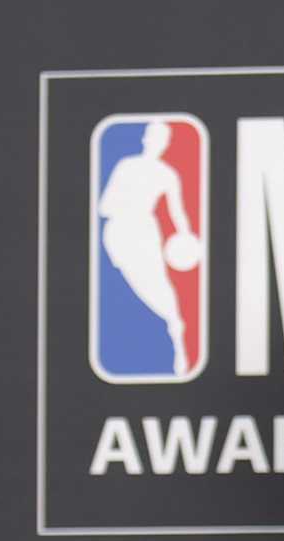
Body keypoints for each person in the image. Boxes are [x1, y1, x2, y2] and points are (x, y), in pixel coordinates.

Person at [97, 119, 196, 375]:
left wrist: (186, 237)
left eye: (162, 138)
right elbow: (104, 206)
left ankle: (177, 336)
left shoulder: (168, 175)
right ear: (145, 139)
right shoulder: (126, 166)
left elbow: (178, 213)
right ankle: (169, 330)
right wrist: (126, 205)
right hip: (118, 233)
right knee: (131, 287)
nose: (157, 142)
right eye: (153, 136)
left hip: (145, 232)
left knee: (159, 285)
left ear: (166, 143)